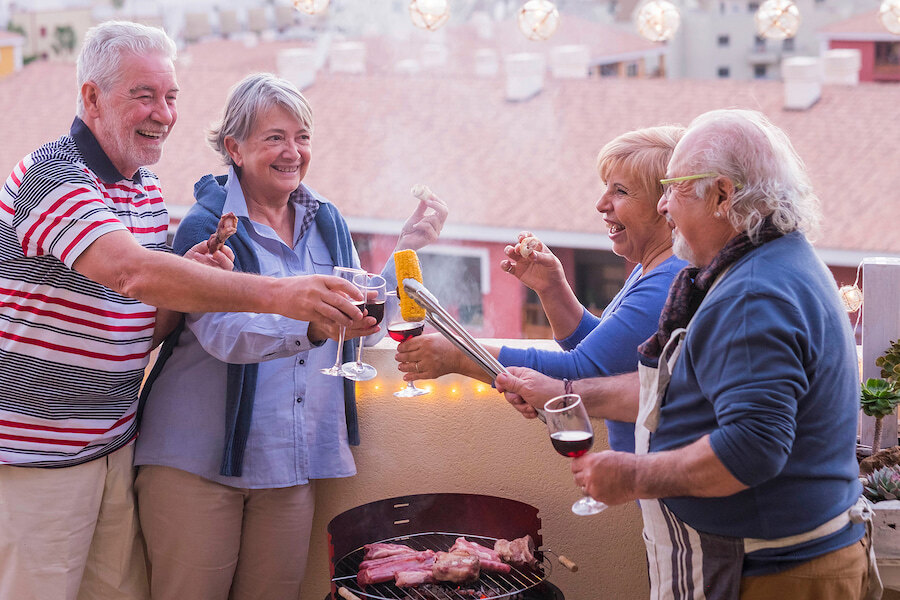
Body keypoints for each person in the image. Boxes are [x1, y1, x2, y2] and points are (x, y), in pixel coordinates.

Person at [0, 22, 370, 600]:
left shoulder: (146, 189)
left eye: (170, 97)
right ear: (92, 98)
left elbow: (144, 323)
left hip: (114, 445)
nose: (163, 114)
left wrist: (190, 278)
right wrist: (283, 295)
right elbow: (131, 271)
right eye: (143, 95)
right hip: (37, 454)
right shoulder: (50, 174)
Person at [497, 109, 878, 599]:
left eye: (673, 187)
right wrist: (576, 394)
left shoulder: (753, 295)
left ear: (722, 195)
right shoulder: (771, 261)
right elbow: (683, 387)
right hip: (775, 558)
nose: (663, 206)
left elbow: (753, 447)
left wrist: (635, 474)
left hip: (774, 571)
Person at [133, 72, 448, 600]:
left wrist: (404, 253)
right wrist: (309, 324)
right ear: (234, 147)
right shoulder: (208, 225)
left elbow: (357, 326)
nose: (292, 152)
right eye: (274, 137)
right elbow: (222, 333)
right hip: (197, 463)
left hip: (288, 460)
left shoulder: (327, 221)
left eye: (301, 137)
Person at [395, 126, 687, 452]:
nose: (600, 204)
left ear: (665, 204)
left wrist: (458, 354)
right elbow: (610, 355)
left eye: (620, 191)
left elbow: (581, 373)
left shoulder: (667, 283)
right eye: (605, 188)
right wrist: (552, 288)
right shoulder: (651, 268)